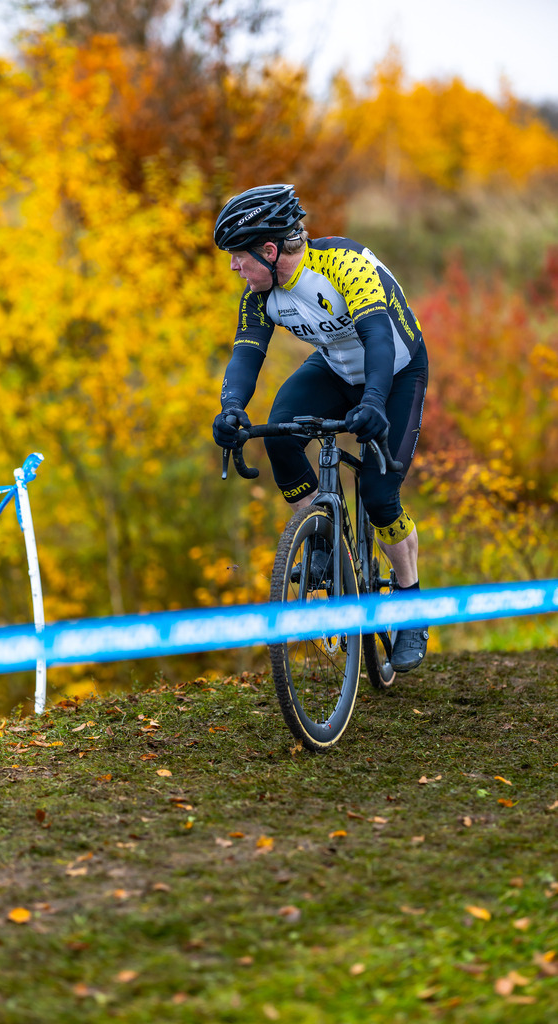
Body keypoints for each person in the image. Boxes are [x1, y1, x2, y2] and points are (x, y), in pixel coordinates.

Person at [212, 183, 429, 672]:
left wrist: (374, 401)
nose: (233, 267)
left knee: (378, 494)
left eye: (237, 256)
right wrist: (230, 409)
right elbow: (246, 354)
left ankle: (411, 605)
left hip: (395, 372)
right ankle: (324, 535)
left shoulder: (343, 264)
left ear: (269, 251)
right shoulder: (259, 292)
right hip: (334, 369)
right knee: (280, 436)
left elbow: (376, 335)